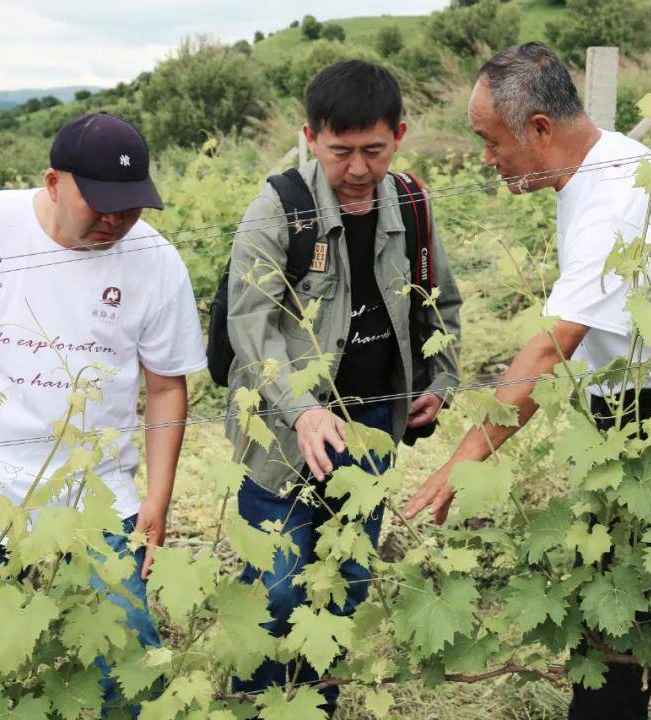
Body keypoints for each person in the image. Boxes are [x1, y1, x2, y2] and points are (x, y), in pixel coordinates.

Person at [400, 42, 651, 720]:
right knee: (614, 612)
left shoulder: (609, 202)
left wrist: (461, 465)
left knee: (623, 624)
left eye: (490, 141)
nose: (486, 159)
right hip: (635, 405)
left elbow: (551, 350)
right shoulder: (599, 161)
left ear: (539, 130)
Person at [0, 112, 206, 697]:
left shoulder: (155, 261)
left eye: (130, 205)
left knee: (129, 658)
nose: (115, 221)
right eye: (100, 203)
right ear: (54, 182)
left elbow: (164, 385)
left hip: (100, 492)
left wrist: (157, 498)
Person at [224, 60, 462, 714]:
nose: (358, 168)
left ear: (400, 136)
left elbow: (443, 303)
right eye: (340, 152)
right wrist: (300, 411)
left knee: (350, 578)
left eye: (374, 151)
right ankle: (260, 700)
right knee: (275, 585)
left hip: (373, 429)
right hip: (282, 439)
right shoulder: (278, 210)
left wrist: (441, 381)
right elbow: (250, 329)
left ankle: (317, 698)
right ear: (310, 136)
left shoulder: (411, 204)